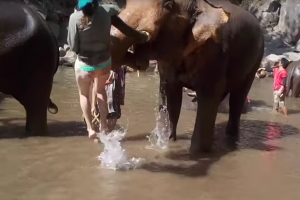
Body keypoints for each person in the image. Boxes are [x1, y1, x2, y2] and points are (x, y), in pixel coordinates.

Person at [67, 0, 150, 141]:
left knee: (84, 95)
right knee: (100, 91)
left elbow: (73, 46)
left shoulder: (74, 18)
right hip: (103, 64)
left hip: (85, 65)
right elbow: (123, 20)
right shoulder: (107, 11)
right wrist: (141, 36)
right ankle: (103, 125)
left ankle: (89, 129)